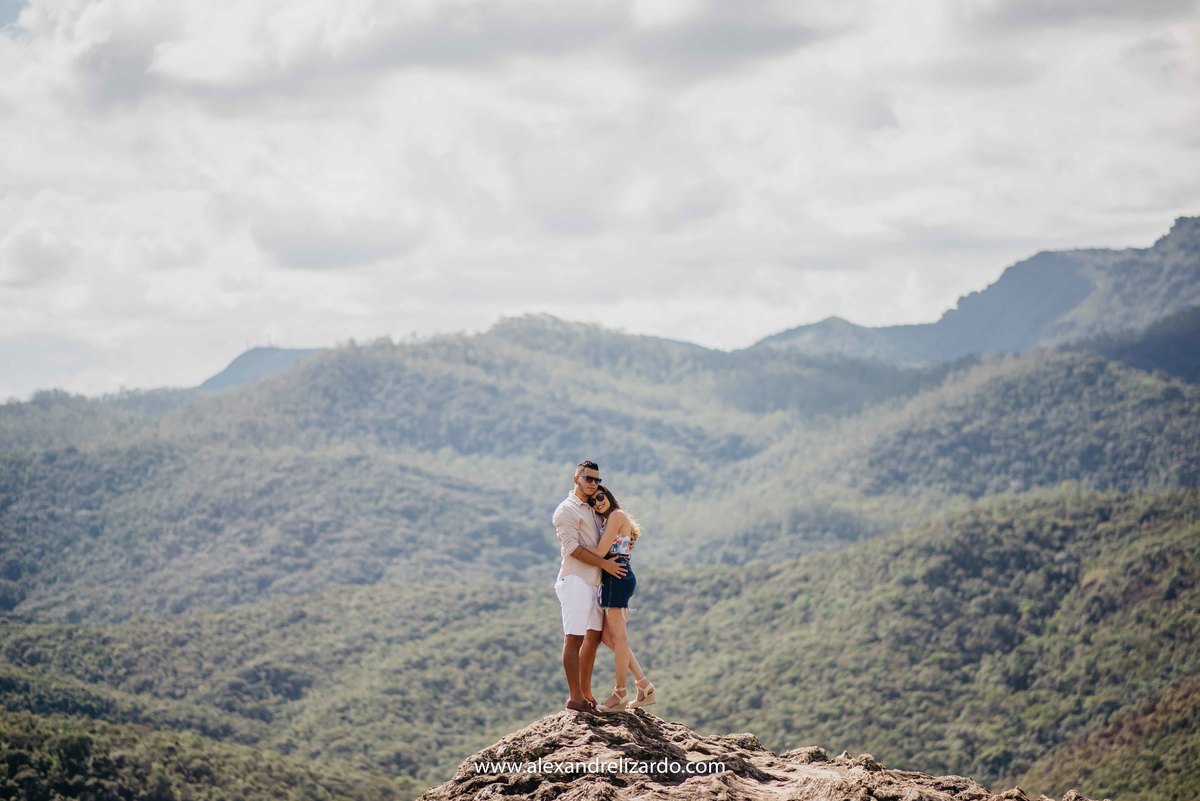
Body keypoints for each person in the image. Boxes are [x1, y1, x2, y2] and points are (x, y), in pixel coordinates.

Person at [553, 460, 628, 715]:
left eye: (597, 480)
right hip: (575, 579)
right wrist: (605, 564)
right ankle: (575, 698)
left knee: (593, 638)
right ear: (576, 479)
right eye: (589, 479)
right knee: (573, 638)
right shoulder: (566, 510)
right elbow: (572, 549)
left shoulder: (595, 508)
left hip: (596, 581)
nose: (594, 484)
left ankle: (586, 694)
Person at [588, 484, 656, 713]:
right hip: (615, 577)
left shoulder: (616, 515)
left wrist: (573, 547)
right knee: (610, 638)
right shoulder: (611, 518)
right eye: (592, 502)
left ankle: (620, 693)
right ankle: (644, 685)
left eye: (600, 496)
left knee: (619, 638)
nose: (597, 502)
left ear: (608, 495)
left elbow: (600, 553)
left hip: (616, 577)